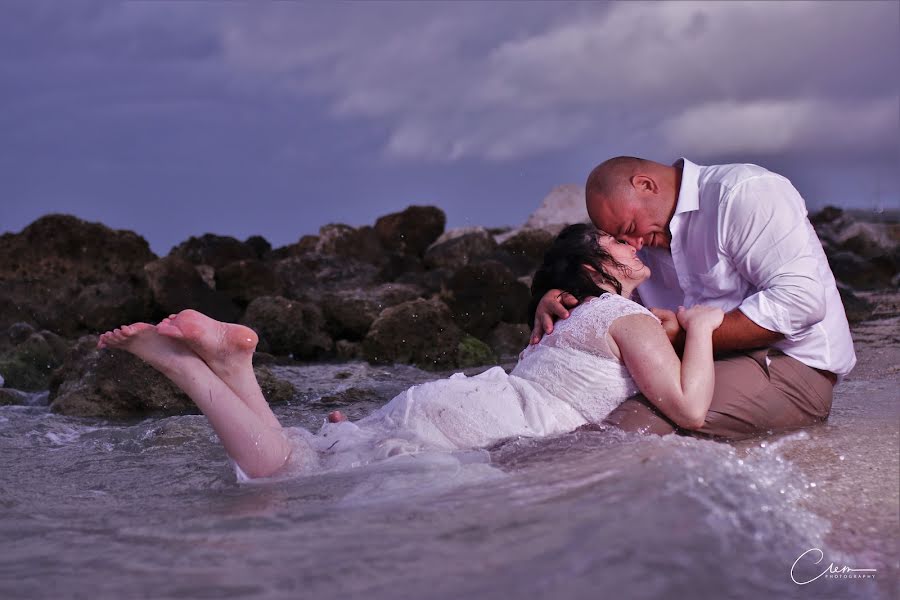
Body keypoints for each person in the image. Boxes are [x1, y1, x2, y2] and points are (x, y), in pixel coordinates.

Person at [98, 224, 724, 480]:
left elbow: (642, 336)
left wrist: (674, 322)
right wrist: (701, 327)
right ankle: (185, 367)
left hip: (466, 403)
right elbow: (691, 408)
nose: (634, 244)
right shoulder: (625, 317)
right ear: (600, 265)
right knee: (282, 474)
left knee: (305, 456)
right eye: (619, 240)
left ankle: (234, 365)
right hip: (492, 420)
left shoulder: (582, 316)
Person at [531, 156, 856, 439]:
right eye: (621, 238)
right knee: (575, 412)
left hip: (789, 365)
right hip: (696, 366)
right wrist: (558, 297)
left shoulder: (743, 193)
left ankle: (524, 497)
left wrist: (686, 336)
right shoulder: (645, 241)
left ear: (645, 184)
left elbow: (802, 303)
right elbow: (608, 294)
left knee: (630, 428)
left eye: (630, 226)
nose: (634, 244)